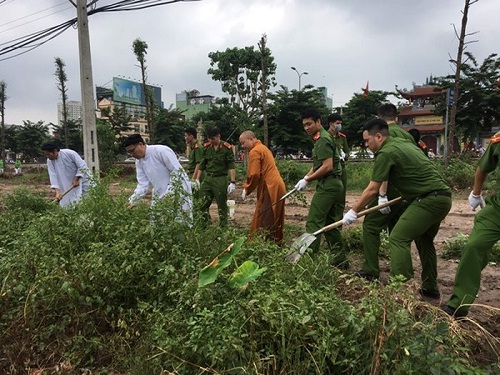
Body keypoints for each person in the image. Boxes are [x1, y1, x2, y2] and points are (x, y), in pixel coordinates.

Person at [343, 119, 452, 297]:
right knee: (425, 241)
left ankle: (400, 288)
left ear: (378, 136)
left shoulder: (385, 152)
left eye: (366, 141)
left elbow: (372, 189)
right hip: (443, 196)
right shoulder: (402, 142)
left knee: (398, 238)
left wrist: (353, 211)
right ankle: (430, 288)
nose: (366, 145)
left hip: (428, 199)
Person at [357, 103, 418, 281]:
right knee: (397, 232)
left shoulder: (383, 137)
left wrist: (382, 196)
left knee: (370, 226)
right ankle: (401, 273)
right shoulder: (407, 134)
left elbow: (385, 169)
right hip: (408, 190)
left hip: (390, 189)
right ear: (396, 118)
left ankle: (370, 269)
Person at [444, 131, 500, 318]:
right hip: (497, 209)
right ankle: (459, 303)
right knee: (473, 246)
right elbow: (483, 167)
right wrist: (476, 193)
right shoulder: (499, 141)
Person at [293, 108, 346, 266]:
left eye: (309, 124)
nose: (306, 127)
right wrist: (306, 177)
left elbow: (327, 166)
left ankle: (308, 260)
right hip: (335, 184)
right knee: (330, 225)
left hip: (328, 185)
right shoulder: (321, 137)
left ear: (318, 122)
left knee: (314, 222)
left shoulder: (322, 139)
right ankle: (340, 260)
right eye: (304, 125)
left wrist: (308, 180)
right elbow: (318, 166)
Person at [123, 134, 192, 223]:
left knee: (179, 223)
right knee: (157, 223)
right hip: (160, 193)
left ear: (141, 144)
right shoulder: (139, 162)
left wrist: (168, 195)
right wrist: (132, 200)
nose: (132, 155)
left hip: (179, 191)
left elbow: (177, 172)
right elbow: (142, 184)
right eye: (129, 153)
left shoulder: (161, 151)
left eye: (132, 151)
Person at [239, 130, 286, 244]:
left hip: (270, 186)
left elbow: (254, 174)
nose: (242, 146)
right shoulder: (263, 148)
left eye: (243, 142)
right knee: (275, 216)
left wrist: (247, 188)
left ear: (251, 139)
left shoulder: (255, 151)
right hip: (278, 185)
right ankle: (276, 243)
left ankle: (264, 244)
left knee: (265, 217)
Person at [195, 126, 236, 227]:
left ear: (218, 137)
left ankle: (223, 226)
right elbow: (202, 164)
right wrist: (197, 180)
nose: (211, 140)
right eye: (209, 138)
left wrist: (232, 182)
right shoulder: (207, 147)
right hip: (208, 178)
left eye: (213, 138)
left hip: (220, 178)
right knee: (202, 203)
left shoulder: (227, 148)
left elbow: (231, 165)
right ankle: (205, 224)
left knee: (221, 204)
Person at [41, 143, 93, 207]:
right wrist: (57, 192)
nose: (47, 156)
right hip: (67, 184)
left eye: (48, 154)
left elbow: (82, 166)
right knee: (69, 203)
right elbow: (53, 176)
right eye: (46, 155)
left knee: (88, 201)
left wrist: (76, 178)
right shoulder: (49, 161)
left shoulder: (69, 153)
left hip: (83, 181)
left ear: (55, 151)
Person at [327, 113, 349, 205]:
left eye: (340, 123)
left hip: (342, 168)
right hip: (330, 169)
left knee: (341, 195)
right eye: (337, 123)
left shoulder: (342, 138)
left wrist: (344, 155)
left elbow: (347, 152)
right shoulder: (325, 137)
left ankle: (339, 216)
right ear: (331, 124)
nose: (339, 125)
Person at [184, 127, 203, 192]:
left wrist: (194, 179)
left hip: (195, 175)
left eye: (186, 136)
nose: (185, 138)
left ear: (191, 136)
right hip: (191, 174)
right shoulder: (192, 147)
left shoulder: (198, 147)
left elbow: (198, 164)